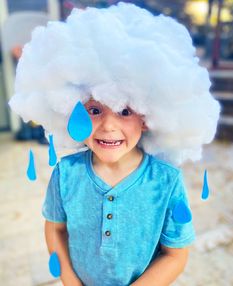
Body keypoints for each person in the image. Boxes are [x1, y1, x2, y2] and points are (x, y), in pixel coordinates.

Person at [8, 2, 220, 286]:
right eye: (95, 110)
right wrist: (71, 282)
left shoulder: (165, 181)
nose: (108, 126)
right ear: (73, 111)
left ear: (147, 115)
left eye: (124, 111)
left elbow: (176, 255)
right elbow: (55, 230)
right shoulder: (66, 173)